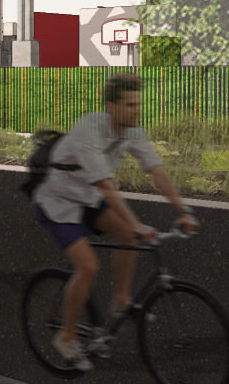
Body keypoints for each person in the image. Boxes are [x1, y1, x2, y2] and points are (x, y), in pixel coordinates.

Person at [32, 73, 199, 372]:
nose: (137, 110)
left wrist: (183, 210)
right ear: (111, 106)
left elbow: (157, 172)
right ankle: (66, 337)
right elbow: (107, 187)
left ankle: (120, 299)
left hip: (86, 195)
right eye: (130, 104)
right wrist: (137, 223)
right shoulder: (90, 128)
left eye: (138, 104)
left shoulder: (133, 131)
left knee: (126, 234)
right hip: (58, 199)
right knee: (89, 266)